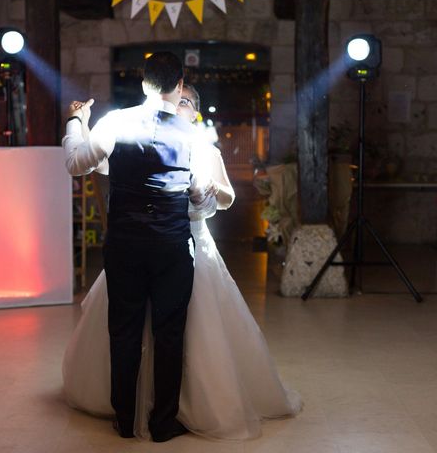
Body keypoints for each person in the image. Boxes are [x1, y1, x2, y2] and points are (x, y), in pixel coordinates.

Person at [62, 84, 302, 440]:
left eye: (187, 102)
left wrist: (202, 194)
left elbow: (223, 198)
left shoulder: (201, 147)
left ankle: (174, 408)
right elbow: (89, 160)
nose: (179, 106)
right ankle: (133, 409)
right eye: (179, 99)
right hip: (145, 247)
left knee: (180, 332)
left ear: (193, 111)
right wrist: (79, 124)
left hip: (187, 246)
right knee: (134, 329)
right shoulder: (134, 142)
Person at [62, 53, 215, 443]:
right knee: (169, 333)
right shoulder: (192, 134)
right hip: (172, 246)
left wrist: (75, 122)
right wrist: (200, 197)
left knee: (124, 330)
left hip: (125, 244)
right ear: (179, 84)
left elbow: (77, 163)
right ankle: (163, 422)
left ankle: (126, 419)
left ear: (143, 82)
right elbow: (201, 201)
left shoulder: (115, 121)